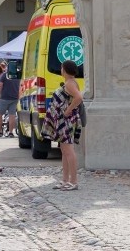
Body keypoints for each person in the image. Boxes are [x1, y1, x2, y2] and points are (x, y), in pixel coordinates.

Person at [42, 60, 83, 191]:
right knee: (64, 151)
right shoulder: (69, 83)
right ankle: (65, 179)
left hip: (66, 121)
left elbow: (78, 98)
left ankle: (73, 181)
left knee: (69, 151)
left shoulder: (70, 83)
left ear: (64, 70)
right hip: (62, 121)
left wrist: (68, 110)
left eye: (61, 68)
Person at [0, 63, 19, 138]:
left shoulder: (5, 75)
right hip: (15, 98)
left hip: (4, 98)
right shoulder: (18, 75)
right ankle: (11, 132)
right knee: (12, 116)